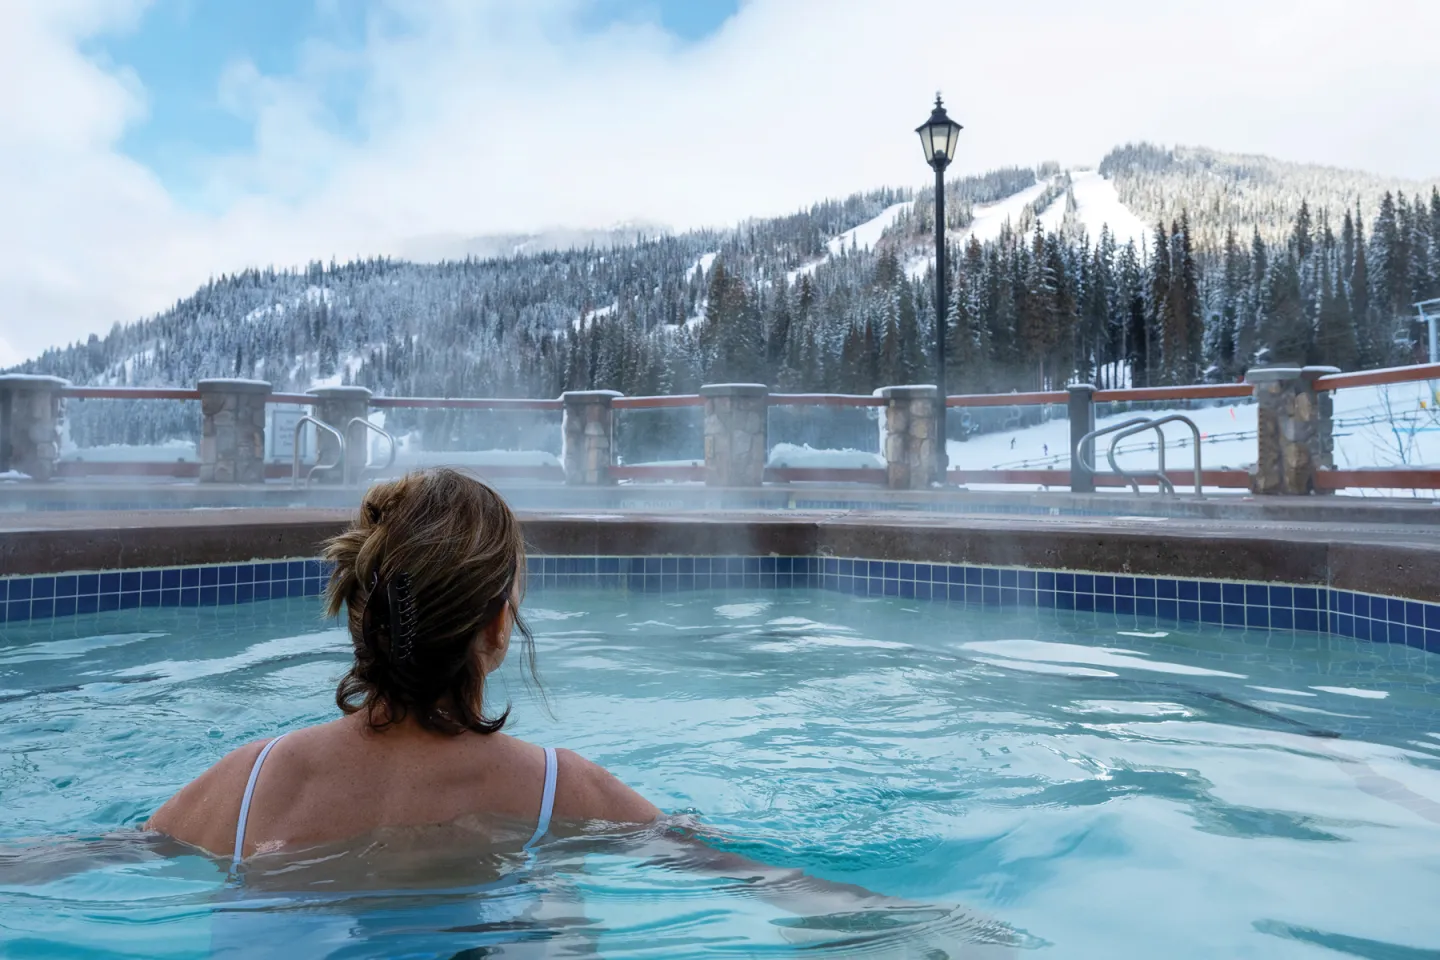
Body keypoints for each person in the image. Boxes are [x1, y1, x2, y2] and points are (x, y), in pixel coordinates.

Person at [141, 468, 1022, 955]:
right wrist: (930, 925)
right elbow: (750, 878)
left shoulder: (249, 782)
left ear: (361, 611)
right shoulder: (556, 789)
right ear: (496, 626)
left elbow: (80, 860)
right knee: (557, 909)